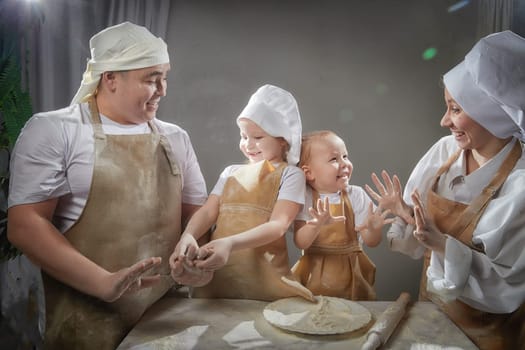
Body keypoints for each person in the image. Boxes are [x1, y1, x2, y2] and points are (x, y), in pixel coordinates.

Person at [7, 22, 208, 349]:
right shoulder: (56, 131)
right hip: (85, 320)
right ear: (110, 78)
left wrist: (197, 261)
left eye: (165, 77)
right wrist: (103, 283)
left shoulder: (175, 137)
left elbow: (196, 215)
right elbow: (25, 224)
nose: (163, 89)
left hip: (166, 318)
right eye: (151, 78)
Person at [366, 30, 525, 350]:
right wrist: (407, 216)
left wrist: (442, 245)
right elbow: (418, 238)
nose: (444, 122)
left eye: (455, 109)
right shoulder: (444, 151)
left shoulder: (520, 184)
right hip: (431, 317)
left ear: (489, 113)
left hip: (488, 334)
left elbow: (507, 286)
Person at [169, 84, 312, 301]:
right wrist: (188, 235)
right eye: (243, 136)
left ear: (282, 138)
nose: (248, 144)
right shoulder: (231, 173)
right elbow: (208, 212)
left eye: (257, 137)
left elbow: (278, 226)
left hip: (263, 275)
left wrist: (230, 243)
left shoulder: (290, 175)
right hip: (219, 273)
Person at [291, 130, 393, 300]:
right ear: (309, 173)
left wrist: (374, 229)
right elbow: (300, 242)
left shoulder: (356, 195)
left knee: (353, 315)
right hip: (314, 273)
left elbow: (371, 242)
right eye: (334, 159)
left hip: (351, 274)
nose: (344, 163)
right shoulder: (305, 198)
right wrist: (315, 225)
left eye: (345, 156)